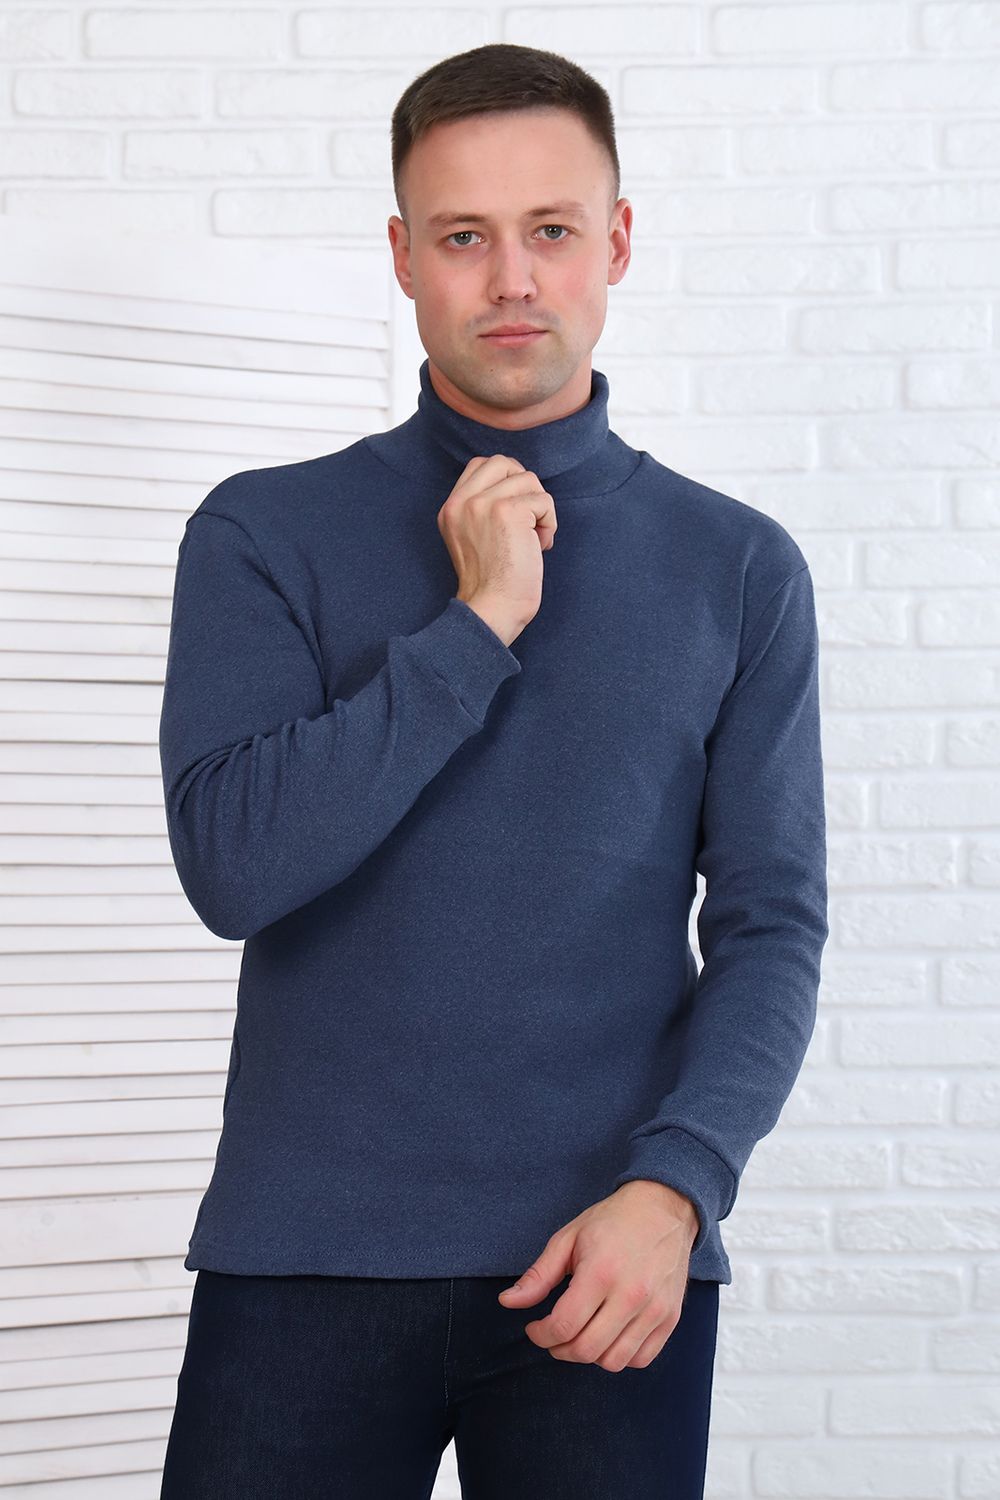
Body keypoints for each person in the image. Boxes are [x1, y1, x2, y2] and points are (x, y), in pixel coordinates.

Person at [157, 41, 828, 1500]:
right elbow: (235, 869)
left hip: (611, 1261)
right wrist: (476, 627)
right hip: (305, 1261)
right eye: (464, 236)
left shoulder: (736, 568)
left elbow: (772, 925)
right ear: (403, 256)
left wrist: (678, 1190)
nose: (512, 279)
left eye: (551, 230)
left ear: (618, 243)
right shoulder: (264, 533)